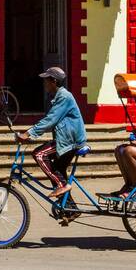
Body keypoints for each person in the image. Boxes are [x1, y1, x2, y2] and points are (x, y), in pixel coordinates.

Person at [16, 67, 87, 209]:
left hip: (70, 141)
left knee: (39, 154)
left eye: (46, 81)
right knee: (56, 170)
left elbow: (50, 120)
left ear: (54, 81)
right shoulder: (56, 96)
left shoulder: (64, 97)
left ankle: (62, 186)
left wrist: (29, 133)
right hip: (65, 139)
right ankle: (70, 208)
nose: (44, 84)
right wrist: (32, 134)